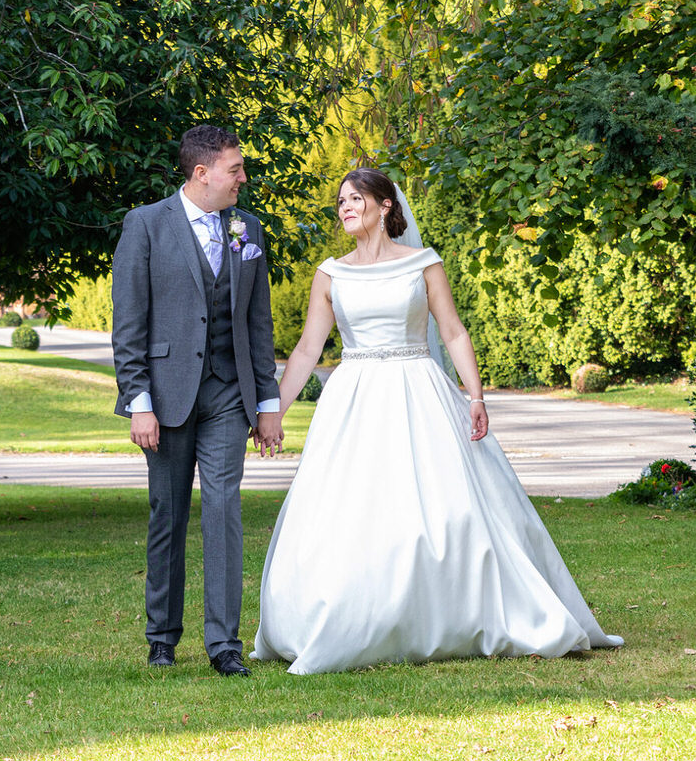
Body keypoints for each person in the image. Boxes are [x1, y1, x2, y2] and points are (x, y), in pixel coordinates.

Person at [249, 168, 624, 675]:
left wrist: (475, 396)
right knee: (347, 510)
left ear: (385, 206)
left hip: (419, 390)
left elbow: (453, 332)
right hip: (355, 398)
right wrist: (273, 410)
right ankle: (343, 618)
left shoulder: (423, 263)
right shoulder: (330, 273)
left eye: (355, 199)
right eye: (340, 201)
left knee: (448, 508)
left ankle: (453, 612)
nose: (344, 208)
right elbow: (306, 350)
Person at [111, 125, 284, 677]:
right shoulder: (145, 225)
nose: (243, 178)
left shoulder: (247, 229)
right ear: (201, 173)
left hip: (229, 395)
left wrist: (267, 401)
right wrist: (138, 401)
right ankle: (162, 636)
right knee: (168, 515)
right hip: (164, 398)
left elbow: (259, 323)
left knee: (225, 510)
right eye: (235, 169)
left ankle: (224, 644)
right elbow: (129, 324)